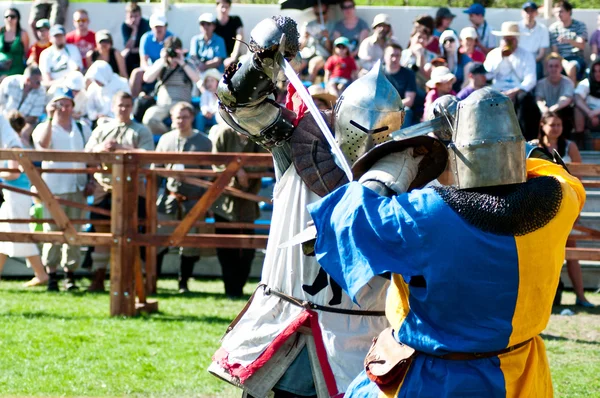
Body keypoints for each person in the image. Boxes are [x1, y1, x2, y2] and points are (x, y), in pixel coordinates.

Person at [307, 87, 585, 397]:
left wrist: (400, 161)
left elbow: (350, 220)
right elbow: (550, 168)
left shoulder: (428, 214)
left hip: (437, 381)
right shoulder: (561, 199)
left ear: (459, 154)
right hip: (522, 376)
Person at [210, 17, 405, 397]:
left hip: (364, 343)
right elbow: (241, 106)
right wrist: (263, 61)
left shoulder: (411, 175)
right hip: (286, 327)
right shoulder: (297, 148)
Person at [84, 91, 154, 292]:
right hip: (104, 187)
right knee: (101, 232)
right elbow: (88, 153)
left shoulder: (141, 130)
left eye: (127, 105)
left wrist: (121, 148)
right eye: (120, 105)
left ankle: (134, 280)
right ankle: (98, 277)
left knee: (132, 232)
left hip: (133, 189)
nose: (123, 109)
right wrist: (103, 148)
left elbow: (148, 155)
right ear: (113, 107)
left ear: (132, 107)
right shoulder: (102, 130)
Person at [31, 87, 92, 292]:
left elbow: (90, 156)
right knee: (53, 232)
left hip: (77, 185)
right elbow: (43, 147)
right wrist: (49, 118)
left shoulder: (82, 127)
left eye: (67, 104)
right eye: (60, 104)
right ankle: (52, 275)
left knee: (74, 231)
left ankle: (70, 274)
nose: (64, 109)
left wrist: (90, 179)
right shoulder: (43, 127)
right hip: (54, 188)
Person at [532, 111, 593, 308]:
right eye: (552, 124)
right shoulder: (533, 146)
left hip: (566, 204)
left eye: (559, 124)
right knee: (540, 254)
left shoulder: (570, 146)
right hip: (540, 206)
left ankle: (581, 297)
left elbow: (578, 178)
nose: (556, 128)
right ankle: (540, 300)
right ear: (543, 126)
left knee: (572, 248)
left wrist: (577, 208)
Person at [154, 102, 211, 294]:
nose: (181, 120)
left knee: (190, 244)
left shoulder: (203, 141)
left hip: (194, 197)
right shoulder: (165, 140)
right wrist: (169, 172)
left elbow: (209, 174)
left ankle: (183, 282)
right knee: (159, 240)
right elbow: (156, 168)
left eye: (184, 117)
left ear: (192, 118)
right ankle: (154, 280)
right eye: (177, 117)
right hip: (170, 198)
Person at [210, 122, 264, 298]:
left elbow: (263, 162)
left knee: (247, 248)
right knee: (225, 248)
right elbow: (215, 161)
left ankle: (239, 286)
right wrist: (236, 171)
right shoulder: (224, 133)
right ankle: (230, 288)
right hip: (225, 200)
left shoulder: (256, 133)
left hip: (248, 200)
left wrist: (241, 169)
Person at [0, 111, 49, 288]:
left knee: (19, 233)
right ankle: (40, 274)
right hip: (15, 193)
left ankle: (41, 274)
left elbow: (12, 173)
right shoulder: (19, 143)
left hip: (16, 193)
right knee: (5, 233)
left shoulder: (13, 145)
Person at [484, 21, 538, 140]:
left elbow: (531, 80)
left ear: (516, 39)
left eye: (511, 39)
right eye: (506, 39)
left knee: (525, 99)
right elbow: (487, 75)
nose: (508, 42)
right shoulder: (493, 55)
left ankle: (524, 137)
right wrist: (501, 57)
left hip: (518, 91)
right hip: (497, 90)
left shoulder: (526, 55)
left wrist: (515, 91)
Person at [142, 36, 199, 136]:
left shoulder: (188, 63)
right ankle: (168, 136)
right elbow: (147, 78)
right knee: (148, 119)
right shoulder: (161, 64)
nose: (173, 54)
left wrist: (181, 62)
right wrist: (163, 60)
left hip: (182, 104)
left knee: (178, 123)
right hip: (163, 104)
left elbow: (197, 79)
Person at [0, 66, 46, 147]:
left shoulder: (41, 90)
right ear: (28, 80)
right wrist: (6, 122)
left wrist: (17, 124)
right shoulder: (9, 82)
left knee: (24, 134)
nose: (40, 84)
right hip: (4, 119)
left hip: (26, 122)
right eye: (37, 82)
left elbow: (33, 117)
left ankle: (27, 157)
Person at [130, 13, 173, 98]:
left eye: (161, 26)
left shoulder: (172, 38)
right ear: (151, 27)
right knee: (137, 73)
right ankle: (134, 102)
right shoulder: (146, 38)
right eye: (156, 26)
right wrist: (151, 70)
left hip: (167, 69)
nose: (158, 29)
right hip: (151, 68)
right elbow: (143, 61)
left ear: (166, 27)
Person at [535, 53, 575, 140]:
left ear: (561, 67)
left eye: (556, 66)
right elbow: (539, 99)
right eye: (551, 66)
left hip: (560, 111)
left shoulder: (568, 82)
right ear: (547, 68)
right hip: (544, 112)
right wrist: (545, 110)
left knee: (567, 110)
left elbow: (566, 99)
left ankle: (565, 141)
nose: (553, 69)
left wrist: (551, 110)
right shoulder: (541, 83)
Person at [549, 0, 588, 84]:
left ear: (569, 11)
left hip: (577, 58)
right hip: (560, 59)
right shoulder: (553, 29)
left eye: (561, 12)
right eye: (556, 12)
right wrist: (563, 62)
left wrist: (569, 41)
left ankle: (570, 95)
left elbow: (581, 45)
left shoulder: (579, 25)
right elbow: (555, 52)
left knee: (572, 67)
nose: (558, 15)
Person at [85, 60, 131, 125]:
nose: (96, 81)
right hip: (101, 121)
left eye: (98, 78)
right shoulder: (93, 87)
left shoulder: (122, 84)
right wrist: (97, 115)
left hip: (120, 120)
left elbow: (127, 105)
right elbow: (89, 107)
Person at [299, 2, 334, 83]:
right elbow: (300, 47)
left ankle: (307, 90)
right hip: (307, 53)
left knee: (313, 64)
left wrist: (327, 38)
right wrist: (305, 37)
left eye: (323, 13)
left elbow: (331, 51)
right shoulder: (308, 25)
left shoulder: (332, 25)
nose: (320, 16)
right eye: (317, 13)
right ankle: (288, 90)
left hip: (322, 54)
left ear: (327, 11)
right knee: (296, 65)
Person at [384, 42, 417, 126]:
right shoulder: (378, 74)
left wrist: (391, 107)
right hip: (380, 109)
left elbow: (409, 100)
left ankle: (401, 139)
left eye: (397, 55)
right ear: (385, 57)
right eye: (392, 55)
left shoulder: (409, 74)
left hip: (400, 109)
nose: (394, 59)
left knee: (407, 111)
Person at [519, 2, 550, 80]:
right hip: (518, 59)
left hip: (535, 60)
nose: (529, 14)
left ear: (536, 13)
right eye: (527, 11)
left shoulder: (543, 29)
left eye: (532, 11)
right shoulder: (516, 27)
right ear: (522, 13)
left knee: (538, 70)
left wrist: (530, 62)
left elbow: (541, 53)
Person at [121, 2, 151, 75]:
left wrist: (135, 50)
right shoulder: (125, 26)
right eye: (131, 17)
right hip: (133, 53)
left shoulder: (146, 24)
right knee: (124, 55)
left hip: (144, 53)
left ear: (140, 16)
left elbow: (148, 46)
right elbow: (128, 47)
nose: (133, 19)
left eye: (136, 16)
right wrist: (134, 30)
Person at [214, 0, 244, 69]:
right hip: (218, 58)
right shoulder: (213, 23)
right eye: (222, 6)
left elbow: (240, 36)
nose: (224, 9)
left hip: (234, 57)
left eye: (226, 7)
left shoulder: (236, 20)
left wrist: (233, 56)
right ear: (217, 7)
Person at [1, 8, 30, 77]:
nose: (9, 19)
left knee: (4, 78)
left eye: (12, 16)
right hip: (1, 66)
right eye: (7, 17)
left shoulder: (22, 34)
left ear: (17, 18)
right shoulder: (0, 32)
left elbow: (26, 53)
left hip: (16, 67)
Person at [574, 60, 600, 135]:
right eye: (595, 71)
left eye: (599, 71)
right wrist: (589, 113)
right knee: (577, 109)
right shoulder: (586, 83)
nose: (597, 74)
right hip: (589, 116)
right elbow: (577, 99)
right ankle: (580, 139)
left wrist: (596, 112)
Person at [196, 68, 221, 133]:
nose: (209, 83)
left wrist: (214, 112)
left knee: (219, 117)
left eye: (212, 81)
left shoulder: (221, 93)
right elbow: (203, 104)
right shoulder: (205, 94)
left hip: (217, 114)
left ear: (217, 82)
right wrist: (205, 111)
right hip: (207, 115)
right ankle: (200, 133)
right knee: (200, 116)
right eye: (207, 81)